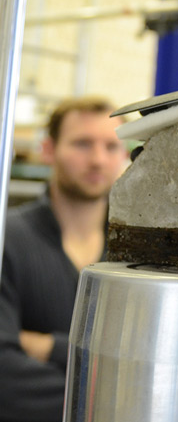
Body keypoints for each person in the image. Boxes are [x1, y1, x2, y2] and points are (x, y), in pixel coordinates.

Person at [0, 96, 127, 422]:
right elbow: (5, 377)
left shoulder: (136, 254)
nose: (98, 159)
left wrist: (49, 348)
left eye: (111, 146)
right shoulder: (7, 240)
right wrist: (119, 401)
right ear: (48, 150)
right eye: (82, 144)